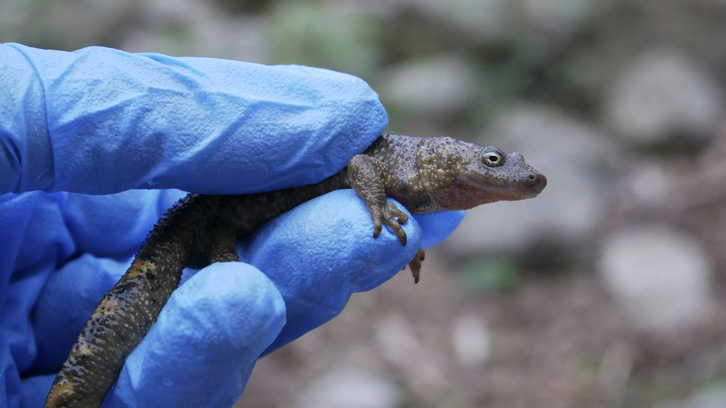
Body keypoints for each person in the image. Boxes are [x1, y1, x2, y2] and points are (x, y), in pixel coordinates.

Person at [0, 43, 464, 408]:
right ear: (449, 155)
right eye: (493, 161)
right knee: (217, 288)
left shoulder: (418, 180)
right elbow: (363, 165)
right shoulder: (397, 162)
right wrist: (380, 209)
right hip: (204, 221)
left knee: (224, 298)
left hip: (220, 221)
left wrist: (395, 224)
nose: (516, 176)